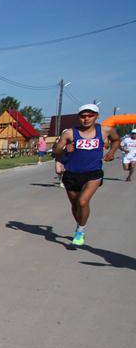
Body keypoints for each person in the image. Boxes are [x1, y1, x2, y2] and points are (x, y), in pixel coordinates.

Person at [52, 104, 120, 246]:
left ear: (97, 116)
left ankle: (80, 231)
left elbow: (116, 140)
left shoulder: (105, 130)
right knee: (75, 205)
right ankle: (80, 224)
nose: (86, 118)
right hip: (71, 174)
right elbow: (56, 151)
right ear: (79, 117)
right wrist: (65, 149)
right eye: (83, 116)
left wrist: (112, 152)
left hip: (93, 173)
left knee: (83, 202)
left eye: (90, 115)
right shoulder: (69, 133)